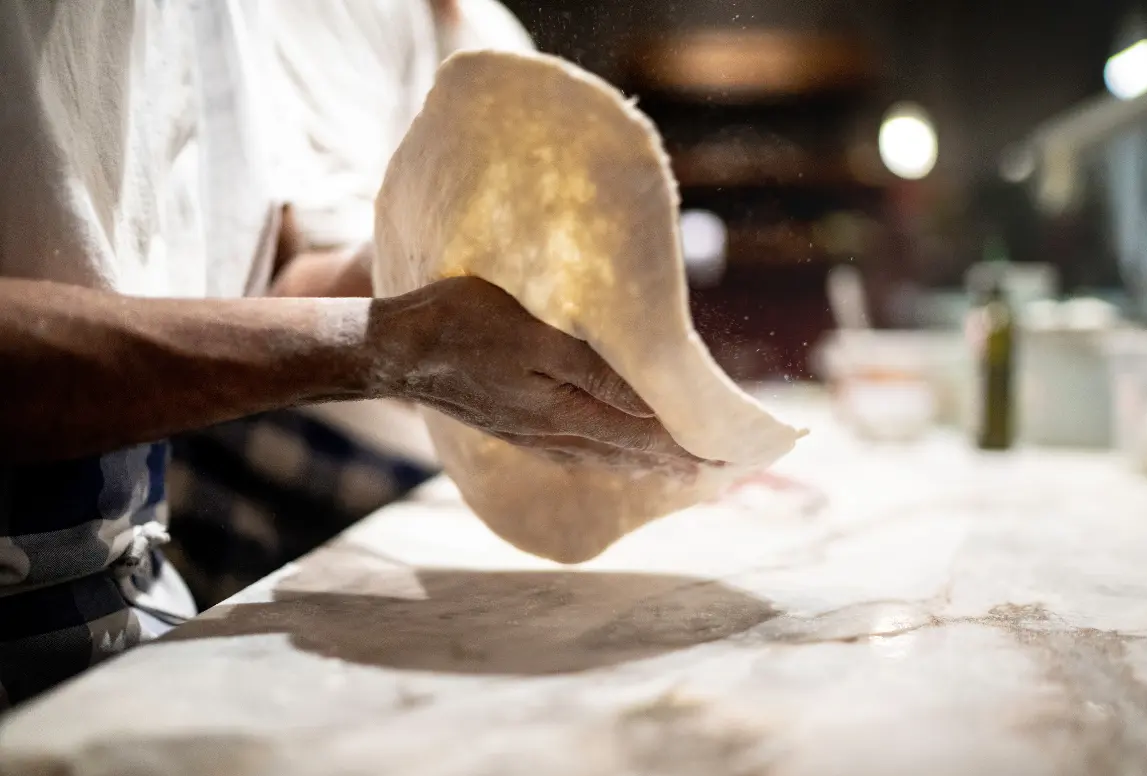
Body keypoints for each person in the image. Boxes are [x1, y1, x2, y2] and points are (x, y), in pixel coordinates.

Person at [0, 0, 694, 709]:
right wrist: (393, 343)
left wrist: (444, 269)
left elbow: (268, 268)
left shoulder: (203, 19)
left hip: (137, 583)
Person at [163, 0, 532, 609]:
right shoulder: (323, 12)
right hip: (296, 432)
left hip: (437, 442)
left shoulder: (486, 33)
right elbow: (286, 284)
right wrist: (448, 277)